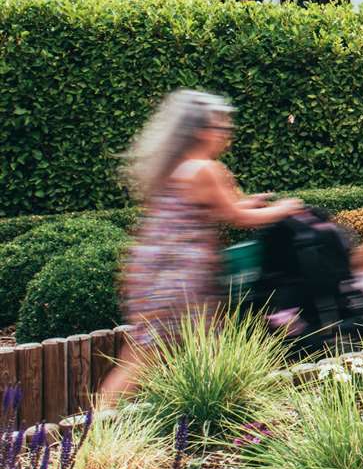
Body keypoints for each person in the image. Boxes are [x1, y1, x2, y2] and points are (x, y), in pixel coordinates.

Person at [101, 90, 303, 398]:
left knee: (147, 353)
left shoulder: (176, 168)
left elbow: (218, 209)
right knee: (166, 353)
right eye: (222, 127)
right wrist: (286, 208)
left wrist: (253, 203)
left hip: (155, 273)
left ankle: (103, 423)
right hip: (180, 279)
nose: (227, 135)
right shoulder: (206, 169)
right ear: (201, 131)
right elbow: (237, 218)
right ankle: (100, 427)